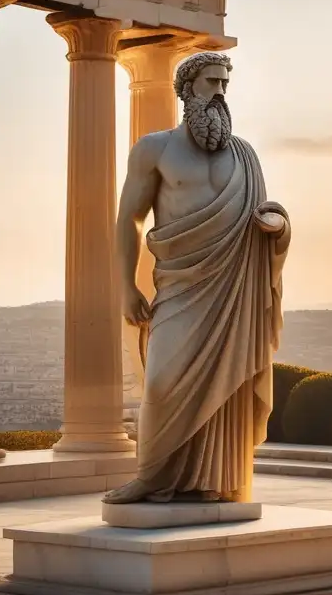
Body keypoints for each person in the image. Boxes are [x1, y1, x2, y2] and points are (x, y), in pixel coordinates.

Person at [104, 51, 290, 504]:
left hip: (232, 286)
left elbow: (259, 218)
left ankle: (214, 481)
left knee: (227, 383)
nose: (221, 92)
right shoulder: (155, 149)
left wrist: (278, 226)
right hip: (180, 284)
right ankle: (152, 475)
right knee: (162, 382)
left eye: (225, 83)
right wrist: (126, 286)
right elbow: (129, 218)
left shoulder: (245, 154)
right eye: (211, 82)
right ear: (188, 89)